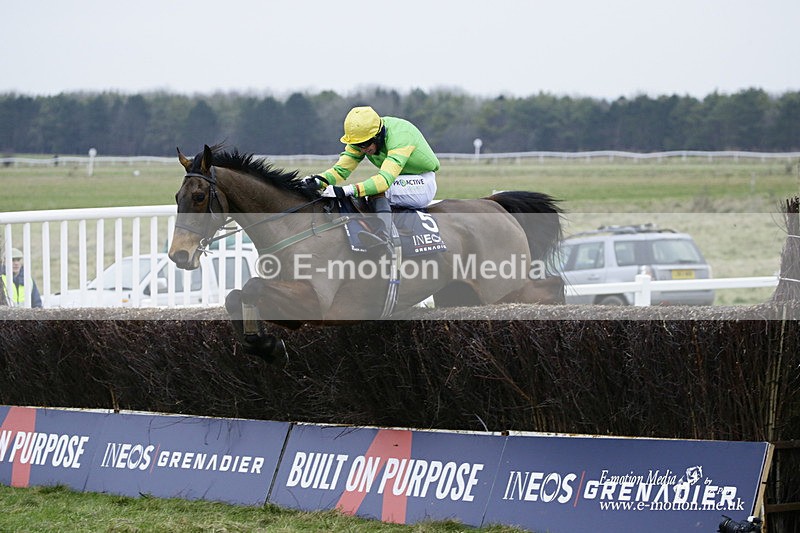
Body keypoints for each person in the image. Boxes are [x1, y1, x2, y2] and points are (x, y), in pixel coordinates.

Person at [303, 106, 440, 246]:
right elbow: (340, 170)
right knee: (365, 191)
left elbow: (384, 181)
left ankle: (385, 240)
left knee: (376, 190)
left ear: (378, 135)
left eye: (365, 144)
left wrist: (347, 190)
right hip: (398, 180)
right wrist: (318, 180)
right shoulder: (361, 138)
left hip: (423, 183)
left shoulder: (401, 136)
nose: (363, 149)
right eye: (357, 145)